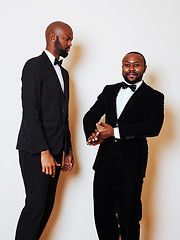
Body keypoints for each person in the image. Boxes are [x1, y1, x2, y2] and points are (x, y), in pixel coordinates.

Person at [83, 52, 164, 240]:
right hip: (104, 165)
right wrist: (94, 135)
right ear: (122, 67)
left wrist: (115, 132)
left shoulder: (154, 96)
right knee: (102, 216)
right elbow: (89, 117)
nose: (131, 69)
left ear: (144, 68)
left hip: (131, 167)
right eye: (127, 64)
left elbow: (154, 127)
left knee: (129, 218)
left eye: (136, 65)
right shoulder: (109, 91)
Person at [15, 21, 74, 240]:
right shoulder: (33, 66)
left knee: (47, 207)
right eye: (67, 38)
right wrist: (43, 151)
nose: (70, 44)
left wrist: (67, 148)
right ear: (53, 37)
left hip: (57, 149)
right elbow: (30, 112)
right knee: (35, 206)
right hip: (35, 151)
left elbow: (62, 114)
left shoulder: (64, 74)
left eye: (71, 40)